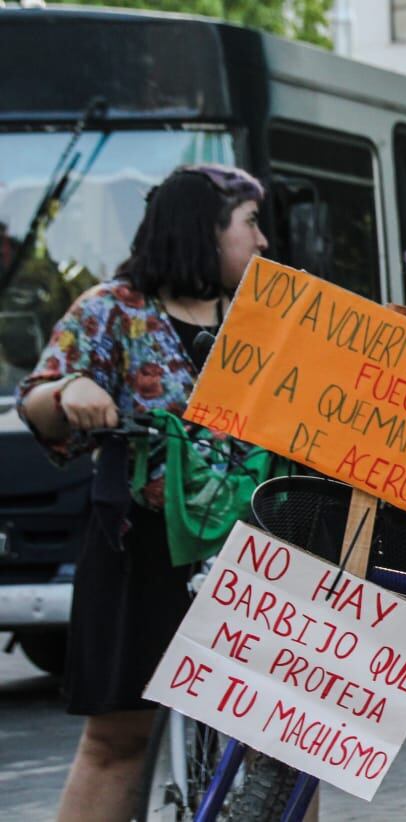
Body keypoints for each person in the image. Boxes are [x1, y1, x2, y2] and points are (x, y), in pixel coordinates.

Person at [16, 164, 267, 822]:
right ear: (205, 232)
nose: (264, 241)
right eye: (249, 224)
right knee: (118, 737)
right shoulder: (110, 308)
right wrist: (69, 391)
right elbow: (38, 400)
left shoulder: (273, 317)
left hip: (256, 555)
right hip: (141, 548)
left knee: (276, 741)